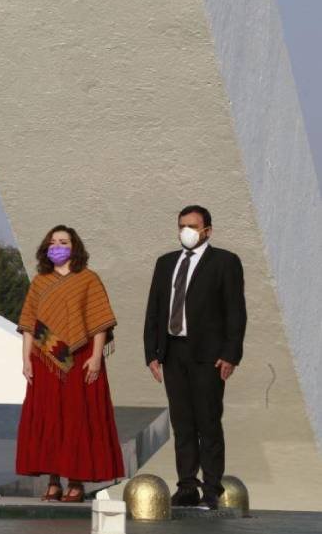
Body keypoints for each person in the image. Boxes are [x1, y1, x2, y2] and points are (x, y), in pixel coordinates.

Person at [143, 205, 246, 510]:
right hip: (173, 352)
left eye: (192, 226)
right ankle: (187, 485)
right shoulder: (166, 263)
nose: (185, 231)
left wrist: (230, 354)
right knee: (183, 422)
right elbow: (154, 310)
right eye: (181, 225)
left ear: (207, 231)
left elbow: (235, 312)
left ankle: (212, 487)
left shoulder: (225, 262)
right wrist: (152, 352)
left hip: (209, 355)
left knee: (208, 421)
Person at [15, 225, 124, 502]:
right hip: (46, 358)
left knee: (77, 418)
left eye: (63, 242)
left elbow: (100, 323)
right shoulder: (40, 281)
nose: (57, 246)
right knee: (50, 416)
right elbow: (29, 323)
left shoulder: (88, 279)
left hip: (81, 357)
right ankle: (53, 480)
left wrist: (97, 357)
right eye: (52, 242)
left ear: (74, 247)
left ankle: (76, 481)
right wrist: (26, 358)